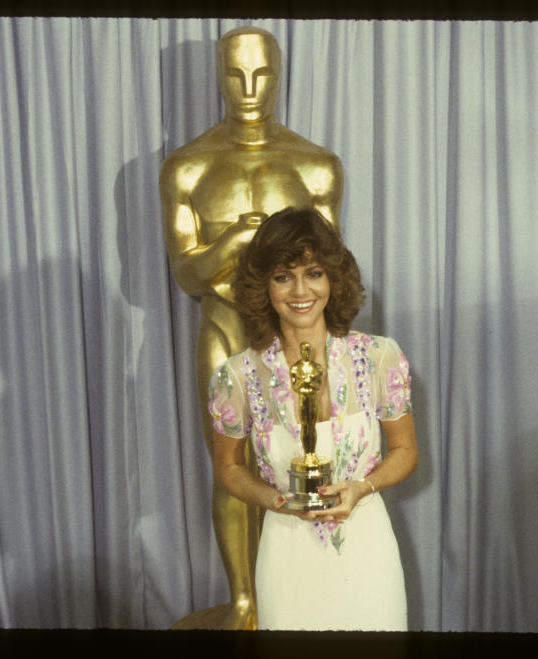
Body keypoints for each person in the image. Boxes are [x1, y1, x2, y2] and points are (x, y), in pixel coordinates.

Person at [160, 26, 343, 629]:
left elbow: (329, 268)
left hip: (296, 338)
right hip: (223, 329)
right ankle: (245, 597)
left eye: (262, 74)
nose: (249, 88)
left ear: (280, 75)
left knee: (297, 459)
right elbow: (186, 273)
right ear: (216, 75)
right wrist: (239, 239)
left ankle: (286, 593)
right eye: (235, 74)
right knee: (232, 467)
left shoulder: (314, 166)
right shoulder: (188, 167)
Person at [208, 207, 418, 631]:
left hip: (367, 552)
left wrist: (362, 487)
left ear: (333, 280)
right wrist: (274, 500)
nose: (300, 290)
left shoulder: (380, 357)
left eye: (314, 273)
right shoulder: (236, 376)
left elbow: (405, 450)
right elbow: (228, 467)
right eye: (283, 276)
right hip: (286, 557)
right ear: (262, 287)